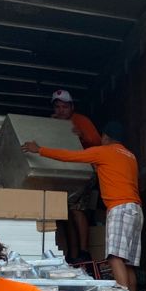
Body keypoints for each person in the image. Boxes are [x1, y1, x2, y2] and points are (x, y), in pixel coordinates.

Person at [22, 121, 143, 291]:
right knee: (127, 262)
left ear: (105, 137)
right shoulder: (130, 156)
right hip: (135, 209)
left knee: (114, 257)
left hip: (120, 208)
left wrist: (39, 150)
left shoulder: (105, 152)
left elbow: (71, 156)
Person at [50, 89, 101, 265]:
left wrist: (82, 136)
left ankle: (84, 251)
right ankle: (72, 254)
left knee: (77, 209)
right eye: (58, 107)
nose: (61, 110)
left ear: (72, 107)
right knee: (65, 213)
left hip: (83, 171)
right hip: (63, 172)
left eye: (65, 107)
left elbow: (98, 142)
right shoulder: (52, 123)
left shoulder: (81, 121)